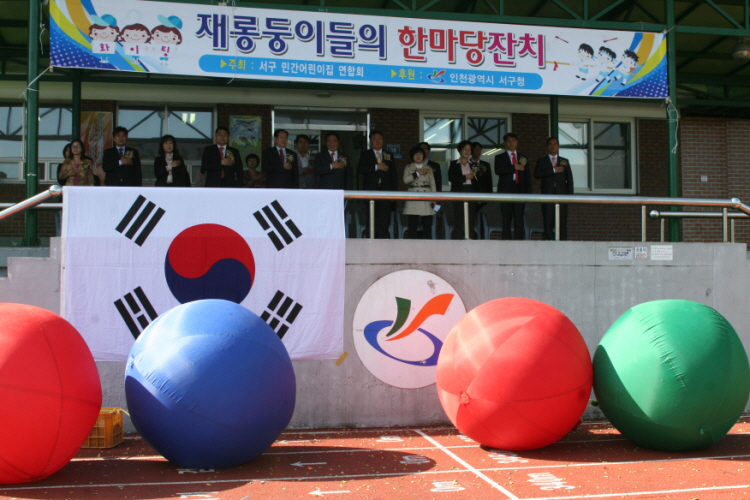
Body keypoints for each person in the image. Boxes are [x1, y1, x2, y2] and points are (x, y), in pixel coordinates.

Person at [359, 131, 397, 238]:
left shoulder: (388, 155)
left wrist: (394, 195)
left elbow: (393, 175)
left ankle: (383, 243)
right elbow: (361, 169)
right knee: (371, 220)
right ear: (370, 141)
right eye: (374, 139)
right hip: (370, 192)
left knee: (384, 221)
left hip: (385, 193)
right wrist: (376, 167)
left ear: (383, 140)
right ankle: (371, 242)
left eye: (379, 138)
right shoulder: (365, 154)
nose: (377, 141)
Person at [535, 137, 574, 240]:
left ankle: (563, 243)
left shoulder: (564, 161)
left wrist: (570, 196)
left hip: (562, 196)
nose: (553, 146)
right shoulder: (542, 161)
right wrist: (553, 170)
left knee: (562, 221)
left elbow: (569, 180)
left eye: (555, 144)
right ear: (547, 147)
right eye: (550, 144)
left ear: (558, 146)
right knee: (548, 220)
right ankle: (548, 242)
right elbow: (537, 174)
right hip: (547, 195)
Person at [494, 132, 531, 240]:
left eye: (513, 140)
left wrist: (529, 193)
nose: (511, 143)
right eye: (508, 141)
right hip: (506, 190)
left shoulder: (523, 158)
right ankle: (506, 241)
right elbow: (498, 170)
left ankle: (519, 241)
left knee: (519, 218)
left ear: (517, 142)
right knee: (506, 218)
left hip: (520, 190)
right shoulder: (500, 157)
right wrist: (513, 167)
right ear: (505, 143)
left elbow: (527, 176)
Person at [403, 145, 436, 239]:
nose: (418, 156)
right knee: (412, 224)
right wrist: (417, 173)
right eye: (416, 154)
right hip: (413, 194)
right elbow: (406, 180)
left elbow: (432, 183)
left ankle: (427, 244)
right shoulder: (408, 167)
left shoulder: (428, 168)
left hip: (426, 195)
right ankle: (412, 244)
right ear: (412, 156)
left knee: (427, 224)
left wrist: (434, 198)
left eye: (420, 154)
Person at [448, 140, 479, 239]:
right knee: (458, 216)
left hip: (471, 191)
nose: (467, 151)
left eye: (469, 149)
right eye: (465, 149)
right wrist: (465, 177)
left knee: (471, 216)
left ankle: (470, 238)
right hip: (458, 191)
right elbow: (451, 178)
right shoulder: (454, 163)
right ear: (460, 151)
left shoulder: (474, 165)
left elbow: (477, 180)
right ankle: (458, 238)